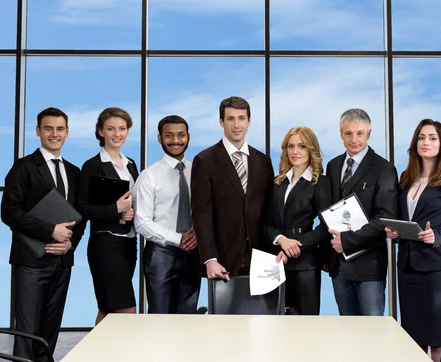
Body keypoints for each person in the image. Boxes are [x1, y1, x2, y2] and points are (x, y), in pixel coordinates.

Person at [0, 107, 86, 362]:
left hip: (62, 261)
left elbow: (80, 215)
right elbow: (9, 212)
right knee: (27, 330)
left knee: (50, 325)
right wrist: (51, 230)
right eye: (48, 128)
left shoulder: (73, 171)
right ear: (38, 131)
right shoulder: (24, 167)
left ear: (67, 132)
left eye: (60, 129)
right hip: (30, 262)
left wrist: (71, 243)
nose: (54, 134)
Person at [385, 119, 441, 362]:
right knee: (413, 335)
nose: (425, 142)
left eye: (432, 138)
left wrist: (436, 236)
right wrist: (396, 233)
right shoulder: (406, 180)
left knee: (437, 336)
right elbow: (403, 220)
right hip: (407, 268)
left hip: (435, 270)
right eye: (421, 137)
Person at [325, 108, 399, 316]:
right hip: (339, 265)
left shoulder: (383, 169)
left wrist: (347, 241)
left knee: (372, 331)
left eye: (359, 133)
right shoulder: (333, 166)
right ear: (341, 134)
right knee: (347, 330)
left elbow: (385, 218)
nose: (354, 139)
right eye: (348, 133)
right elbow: (330, 210)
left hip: (369, 266)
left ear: (369, 134)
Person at [191, 96, 274, 279]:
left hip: (261, 258)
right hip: (223, 259)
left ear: (249, 121)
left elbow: (270, 209)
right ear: (221, 122)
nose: (237, 125)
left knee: (263, 308)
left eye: (241, 118)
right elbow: (201, 214)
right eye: (230, 119)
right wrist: (210, 259)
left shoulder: (263, 161)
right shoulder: (205, 161)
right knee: (224, 309)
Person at [76, 107, 139, 325]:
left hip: (129, 244)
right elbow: (82, 207)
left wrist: (131, 212)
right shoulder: (92, 166)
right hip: (105, 244)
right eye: (111, 129)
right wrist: (116, 208)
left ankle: (93, 357)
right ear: (100, 131)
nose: (117, 134)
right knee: (126, 309)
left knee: (109, 308)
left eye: (122, 129)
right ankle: (122, 358)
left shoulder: (131, 165)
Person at [133, 115, 200, 314]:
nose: (175, 140)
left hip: (193, 253)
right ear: (160, 138)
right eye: (169, 135)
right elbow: (142, 222)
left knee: (187, 317)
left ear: (188, 137)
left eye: (180, 135)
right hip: (161, 254)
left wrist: (197, 234)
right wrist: (177, 239)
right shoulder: (149, 175)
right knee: (159, 318)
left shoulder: (197, 172)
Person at [264, 127, 332, 315]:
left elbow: (326, 226)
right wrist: (281, 240)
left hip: (305, 265)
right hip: (275, 263)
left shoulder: (320, 182)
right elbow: (266, 222)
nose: (295, 152)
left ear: (311, 149)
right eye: (291, 146)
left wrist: (295, 246)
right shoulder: (278, 183)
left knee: (305, 328)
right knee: (275, 326)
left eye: (301, 146)